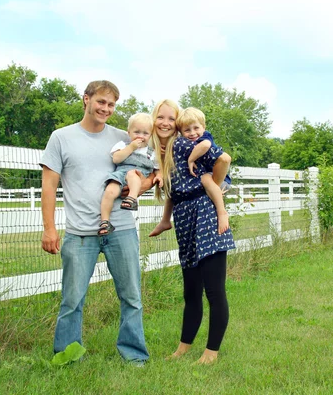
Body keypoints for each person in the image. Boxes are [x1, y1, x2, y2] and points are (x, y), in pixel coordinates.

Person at [40, 80, 150, 364]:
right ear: (86, 99)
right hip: (80, 233)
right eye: (101, 102)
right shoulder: (61, 137)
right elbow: (49, 186)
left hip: (121, 228)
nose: (106, 108)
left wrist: (141, 185)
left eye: (112, 104)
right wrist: (49, 228)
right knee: (72, 300)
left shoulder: (124, 136)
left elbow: (145, 168)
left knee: (131, 297)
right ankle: (67, 355)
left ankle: (134, 355)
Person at [149, 99, 235, 364]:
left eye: (170, 118)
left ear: (178, 122)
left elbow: (223, 158)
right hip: (185, 220)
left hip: (207, 218)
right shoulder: (163, 151)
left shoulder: (187, 143)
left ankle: (211, 352)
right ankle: (183, 347)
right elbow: (174, 192)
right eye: (159, 118)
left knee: (214, 290)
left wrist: (213, 189)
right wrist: (166, 219)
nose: (165, 123)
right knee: (191, 291)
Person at [153, 107, 230, 235]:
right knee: (174, 183)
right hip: (210, 181)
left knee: (205, 179)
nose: (192, 133)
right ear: (181, 132)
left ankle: (222, 213)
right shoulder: (184, 143)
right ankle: (165, 220)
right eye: (187, 130)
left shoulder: (204, 138)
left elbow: (208, 148)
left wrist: (191, 159)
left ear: (203, 127)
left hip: (219, 178)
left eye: (196, 128)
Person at [98, 112, 161, 236]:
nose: (140, 136)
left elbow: (157, 168)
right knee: (109, 191)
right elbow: (116, 159)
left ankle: (131, 199)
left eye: (145, 133)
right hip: (120, 173)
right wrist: (130, 148)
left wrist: (158, 176)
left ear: (150, 135)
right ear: (129, 132)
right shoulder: (123, 145)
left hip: (137, 174)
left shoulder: (151, 152)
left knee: (133, 174)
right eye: (137, 132)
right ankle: (105, 221)